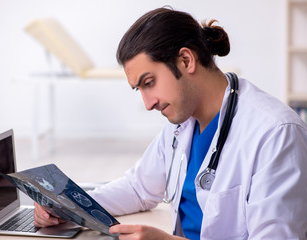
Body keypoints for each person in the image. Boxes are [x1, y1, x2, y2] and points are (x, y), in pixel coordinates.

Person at [33, 7, 307, 239]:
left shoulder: (275, 133)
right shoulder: (182, 124)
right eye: (139, 89)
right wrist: (64, 204)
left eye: (149, 83)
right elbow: (139, 187)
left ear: (186, 60)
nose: (148, 103)